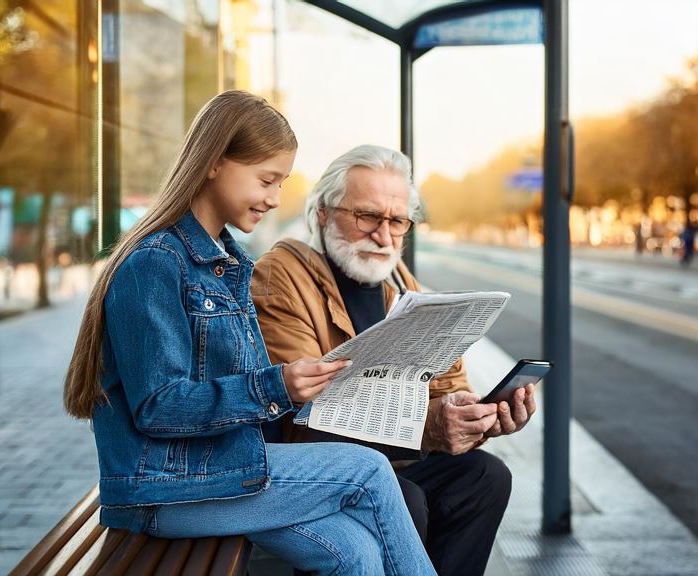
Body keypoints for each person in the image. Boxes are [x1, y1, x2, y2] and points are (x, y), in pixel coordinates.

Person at [63, 93, 436, 576]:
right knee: (368, 471)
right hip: (165, 488)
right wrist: (275, 385)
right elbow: (158, 405)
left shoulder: (228, 261)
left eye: (281, 182)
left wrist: (310, 389)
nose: (276, 198)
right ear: (215, 163)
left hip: (221, 470)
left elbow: (249, 385)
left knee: (357, 553)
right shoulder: (156, 262)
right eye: (266, 179)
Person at [252, 144, 537, 576]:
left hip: (392, 461)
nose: (384, 236)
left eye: (398, 221)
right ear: (324, 212)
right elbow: (306, 418)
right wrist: (427, 428)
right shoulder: (283, 275)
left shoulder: (402, 284)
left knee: (485, 477)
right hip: (320, 471)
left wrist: (477, 419)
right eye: (367, 216)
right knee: (405, 499)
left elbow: (448, 390)